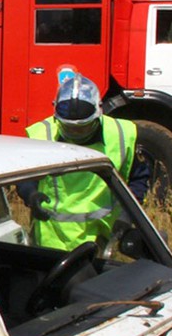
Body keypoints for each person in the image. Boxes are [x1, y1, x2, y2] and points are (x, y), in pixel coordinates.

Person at [20, 73, 149, 251]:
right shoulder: (40, 135)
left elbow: (138, 178)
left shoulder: (121, 135)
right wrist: (31, 195)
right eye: (69, 128)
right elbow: (24, 178)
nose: (75, 134)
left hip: (104, 239)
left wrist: (127, 215)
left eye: (82, 128)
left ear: (99, 113)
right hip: (52, 242)